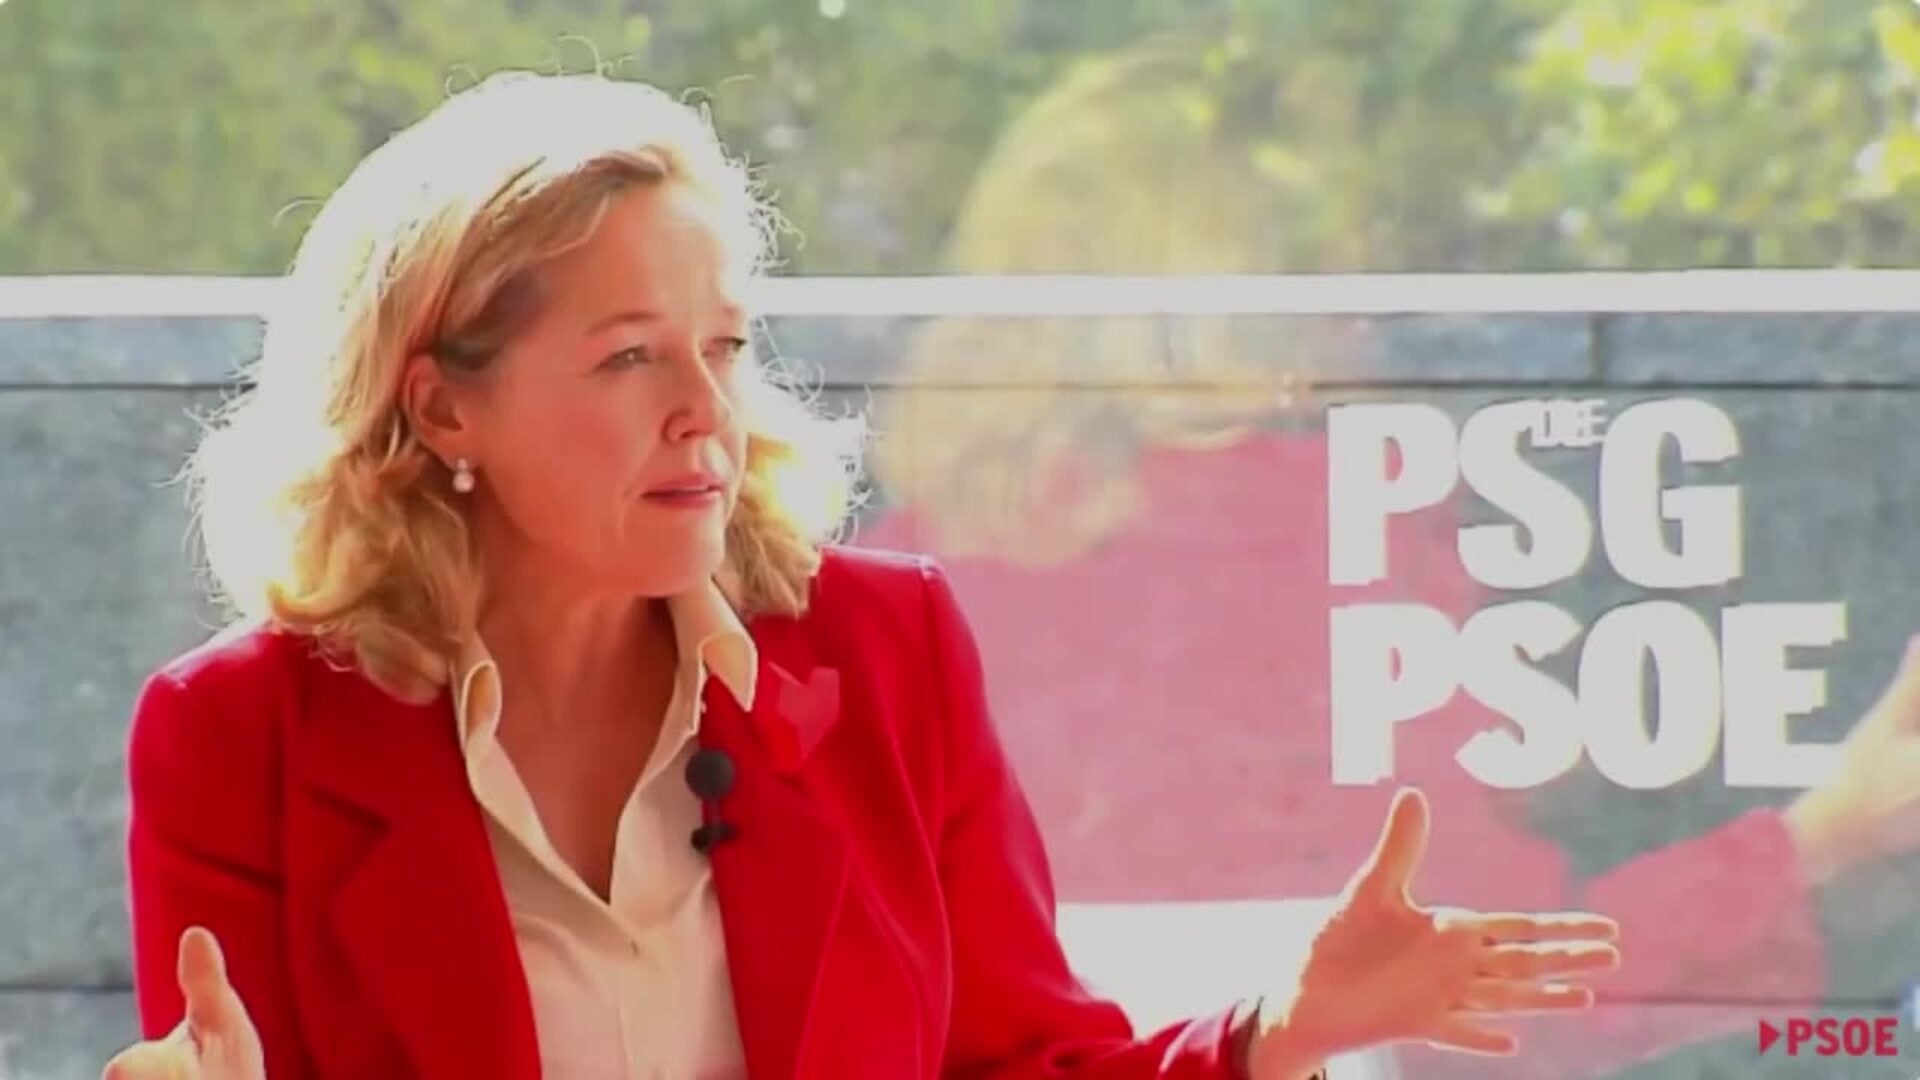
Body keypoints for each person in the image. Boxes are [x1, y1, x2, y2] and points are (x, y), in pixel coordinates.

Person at [101, 71, 1619, 1080]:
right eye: (629, 358)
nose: (704, 410)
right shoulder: (242, 739)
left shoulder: (888, 651)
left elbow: (1026, 1067)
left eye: (723, 346)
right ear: (443, 409)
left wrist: (1275, 1032)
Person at [852, 35, 1920, 1080]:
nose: (1367, 304)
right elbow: (1487, 996)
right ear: (1246, 303)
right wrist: (1818, 840)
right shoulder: (1333, 532)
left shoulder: (888, 588)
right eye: (1328, 260)